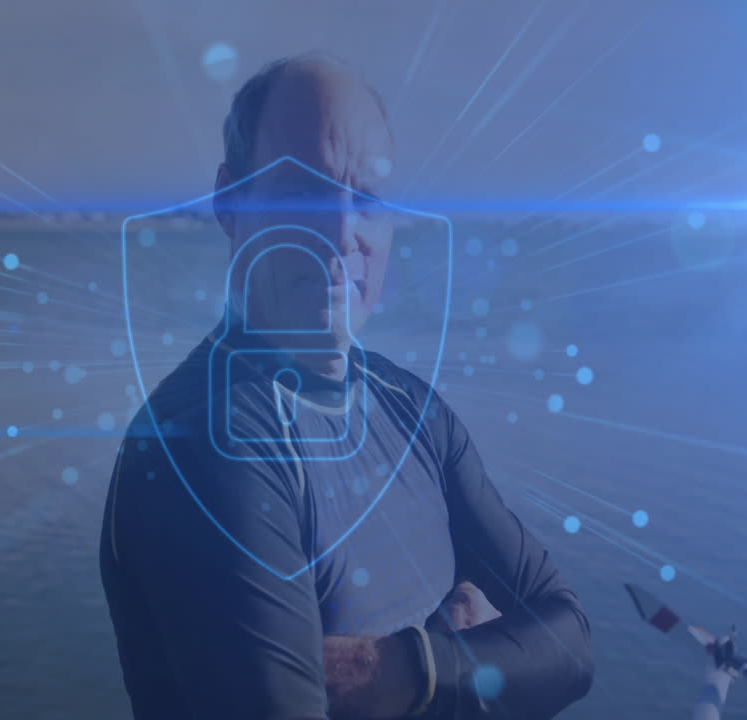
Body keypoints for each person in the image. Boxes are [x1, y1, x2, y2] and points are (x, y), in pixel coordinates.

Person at [99, 53, 593, 719]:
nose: (340, 233)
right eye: (303, 192)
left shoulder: (412, 409)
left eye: (366, 200)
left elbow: (570, 645)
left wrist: (407, 669)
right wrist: (475, 659)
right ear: (230, 205)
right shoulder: (203, 446)